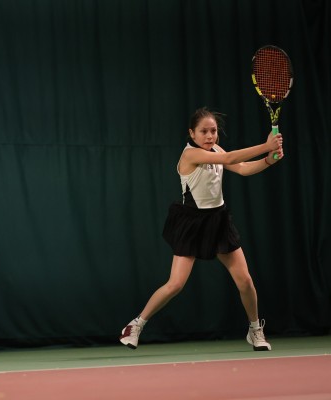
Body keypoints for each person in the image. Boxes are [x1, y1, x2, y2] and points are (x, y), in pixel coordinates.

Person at [120, 107, 284, 351]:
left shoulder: (216, 149)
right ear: (192, 133)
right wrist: (266, 146)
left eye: (213, 131)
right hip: (192, 223)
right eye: (204, 131)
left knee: (245, 281)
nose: (210, 136)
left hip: (218, 220)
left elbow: (241, 168)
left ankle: (255, 330)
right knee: (175, 284)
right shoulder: (190, 154)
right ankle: (135, 325)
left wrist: (269, 160)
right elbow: (230, 159)